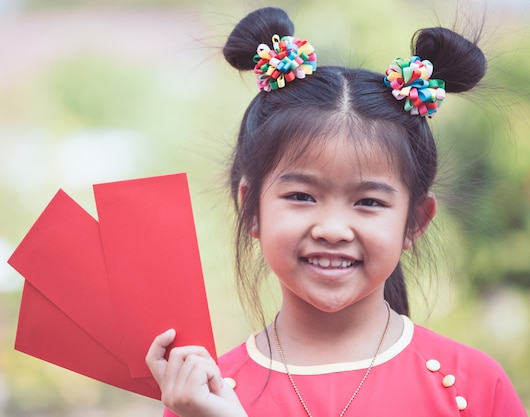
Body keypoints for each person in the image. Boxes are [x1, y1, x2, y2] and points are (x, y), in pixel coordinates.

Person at [145, 7, 527, 417]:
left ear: (415, 221)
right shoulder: (208, 395)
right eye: (301, 196)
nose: (331, 229)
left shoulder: (471, 384)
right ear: (250, 207)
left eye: (369, 202)